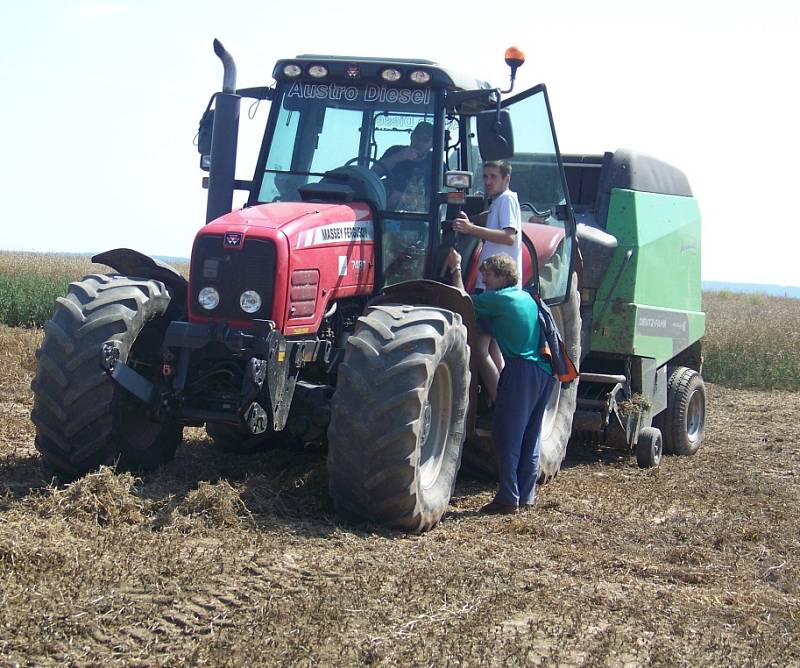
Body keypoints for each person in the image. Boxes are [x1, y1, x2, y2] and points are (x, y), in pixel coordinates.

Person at [448, 250, 555, 515]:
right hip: (544, 371)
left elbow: (460, 301)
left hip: (520, 371)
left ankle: (508, 498)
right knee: (530, 436)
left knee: (507, 435)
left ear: (501, 275)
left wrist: (456, 269)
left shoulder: (500, 299)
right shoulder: (526, 297)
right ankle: (526, 495)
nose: (483, 280)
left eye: (486, 275)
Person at [451, 160, 522, 404]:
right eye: (485, 177)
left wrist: (470, 229)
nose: (488, 181)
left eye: (493, 176)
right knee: (493, 350)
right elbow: (493, 221)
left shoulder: (507, 200)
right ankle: (505, 399)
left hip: (496, 288)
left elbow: (508, 236)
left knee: (480, 350)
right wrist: (471, 220)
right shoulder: (499, 203)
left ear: (506, 179)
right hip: (495, 285)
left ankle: (501, 403)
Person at [374, 121, 434, 210]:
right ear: (412, 136)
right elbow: (373, 173)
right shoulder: (395, 151)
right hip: (387, 213)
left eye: (425, 140)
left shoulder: (435, 162)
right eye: (417, 137)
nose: (420, 142)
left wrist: (404, 198)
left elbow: (441, 194)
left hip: (423, 217)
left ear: (432, 144)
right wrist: (399, 157)